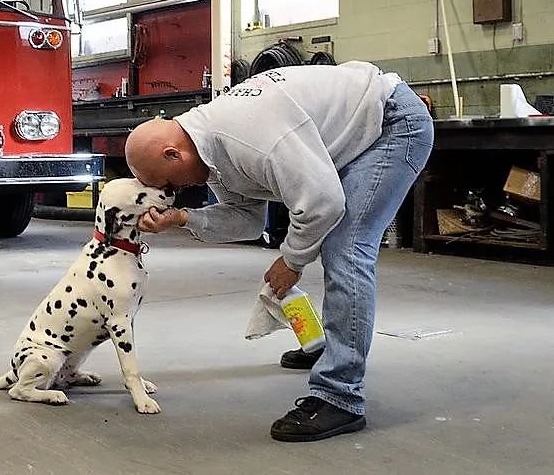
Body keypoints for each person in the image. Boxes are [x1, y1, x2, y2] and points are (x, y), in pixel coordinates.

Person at [124, 61, 433, 442]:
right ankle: (329, 348)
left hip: (391, 125)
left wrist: (291, 262)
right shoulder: (210, 148)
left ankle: (341, 397)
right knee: (328, 238)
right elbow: (247, 220)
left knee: (346, 247)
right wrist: (182, 218)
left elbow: (323, 203)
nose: (174, 190)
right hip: (354, 131)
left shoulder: (247, 137)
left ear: (174, 154)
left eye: (170, 184)